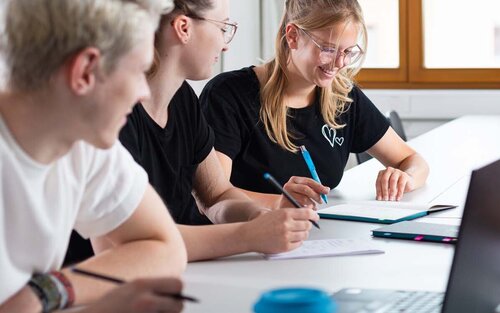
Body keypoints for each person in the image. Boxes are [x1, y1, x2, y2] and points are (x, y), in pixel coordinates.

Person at [65, 0, 318, 263]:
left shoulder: (183, 98)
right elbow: (128, 243)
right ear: (183, 27)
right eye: (223, 28)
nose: (226, 44)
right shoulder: (115, 114)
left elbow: (217, 195)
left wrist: (258, 217)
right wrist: (247, 235)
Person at [0, 0, 187, 312]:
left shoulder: (79, 139)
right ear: (85, 71)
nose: (143, 91)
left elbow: (165, 247)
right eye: (140, 70)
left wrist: (46, 291)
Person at [201, 0, 429, 208]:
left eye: (348, 52)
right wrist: (281, 202)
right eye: (328, 49)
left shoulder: (343, 97)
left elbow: (413, 161)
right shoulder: (228, 95)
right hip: (244, 242)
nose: (339, 64)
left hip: (317, 235)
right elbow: (210, 195)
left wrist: (405, 178)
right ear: (292, 36)